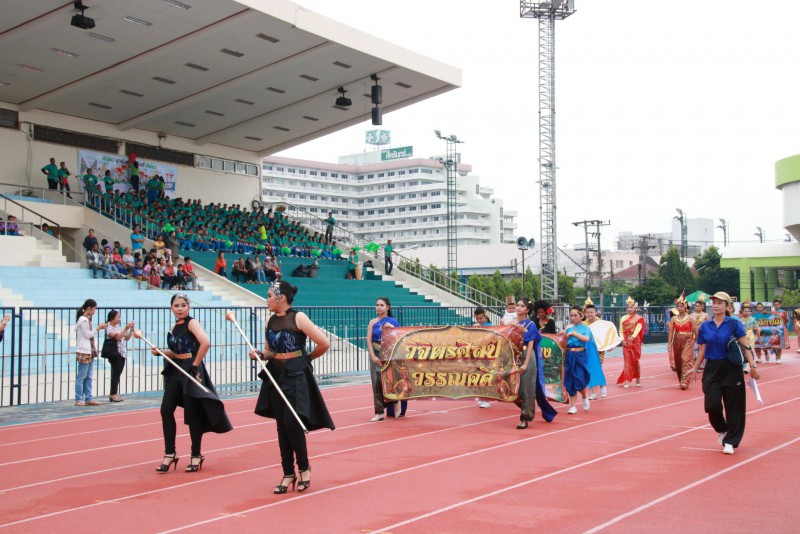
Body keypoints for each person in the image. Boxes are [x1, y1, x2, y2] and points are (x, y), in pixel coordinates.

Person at [250, 281, 334, 494]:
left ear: (281, 297)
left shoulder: (299, 317)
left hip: (296, 375)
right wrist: (259, 355)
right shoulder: (270, 320)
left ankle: (304, 468)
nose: (267, 299)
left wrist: (307, 359)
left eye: (270, 295)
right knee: (281, 425)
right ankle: (288, 473)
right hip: (276, 375)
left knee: (292, 422)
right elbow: (269, 351)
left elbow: (324, 343)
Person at [152, 293, 233, 473]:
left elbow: (205, 343)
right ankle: (170, 453)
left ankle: (196, 454)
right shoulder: (175, 326)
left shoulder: (192, 323)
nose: (180, 308)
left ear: (188, 307)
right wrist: (161, 352)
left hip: (190, 368)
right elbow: (177, 352)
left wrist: (195, 365)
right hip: (176, 369)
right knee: (166, 410)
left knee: (192, 413)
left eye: (183, 305)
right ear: (171, 308)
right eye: (176, 305)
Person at [689, 292, 760, 455]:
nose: (716, 305)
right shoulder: (705, 326)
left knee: (734, 406)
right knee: (712, 405)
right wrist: (694, 367)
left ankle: (730, 441)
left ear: (727, 306)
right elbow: (702, 350)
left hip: (731, 368)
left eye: (720, 303)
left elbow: (746, 346)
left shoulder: (734, 324)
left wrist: (752, 366)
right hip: (712, 368)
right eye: (714, 302)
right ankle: (723, 428)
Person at [515, 298, 557, 429]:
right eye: (517, 305)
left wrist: (526, 364)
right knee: (513, 390)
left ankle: (525, 418)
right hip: (515, 356)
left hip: (527, 356)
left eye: (522, 306)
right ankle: (529, 407)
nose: (518, 307)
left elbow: (531, 345)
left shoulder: (530, 325)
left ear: (527, 310)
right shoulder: (511, 324)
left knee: (527, 388)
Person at [367, 297, 404, 421]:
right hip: (376, 352)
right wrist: (373, 356)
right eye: (377, 305)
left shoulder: (392, 321)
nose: (378, 307)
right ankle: (379, 412)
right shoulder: (372, 322)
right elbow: (369, 340)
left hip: (389, 353)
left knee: (390, 380)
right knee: (376, 382)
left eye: (381, 305)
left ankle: (396, 402)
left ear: (387, 307)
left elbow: (399, 337)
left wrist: (391, 328)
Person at [74, 299, 106, 406]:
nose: (95, 311)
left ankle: (88, 398)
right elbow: (87, 335)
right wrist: (98, 328)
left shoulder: (87, 319)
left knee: (89, 376)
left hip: (90, 350)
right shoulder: (83, 320)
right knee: (81, 376)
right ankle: (79, 398)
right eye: (94, 309)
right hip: (84, 351)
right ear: (89, 308)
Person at [562, 305, 594, 414]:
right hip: (569, 355)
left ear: (581, 316)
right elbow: (563, 340)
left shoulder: (585, 328)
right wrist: (563, 334)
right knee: (570, 380)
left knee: (579, 378)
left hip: (580, 355)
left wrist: (574, 334)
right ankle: (573, 406)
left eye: (575, 315)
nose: (573, 318)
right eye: (571, 315)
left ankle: (584, 395)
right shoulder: (568, 327)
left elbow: (586, 339)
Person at [103, 310, 134, 402]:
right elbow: (117, 337)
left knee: (118, 373)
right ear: (112, 318)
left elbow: (126, 338)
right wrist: (126, 328)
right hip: (114, 353)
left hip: (122, 353)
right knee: (116, 373)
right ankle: (113, 394)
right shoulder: (108, 327)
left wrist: (131, 330)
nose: (119, 319)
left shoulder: (118, 327)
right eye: (118, 317)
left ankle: (114, 393)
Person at [667, 295, 695, 389]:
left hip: (688, 340)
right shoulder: (674, 319)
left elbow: (695, 331)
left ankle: (685, 381)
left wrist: (699, 342)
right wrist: (669, 344)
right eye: (678, 306)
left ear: (685, 306)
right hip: (677, 340)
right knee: (678, 361)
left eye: (681, 306)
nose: (679, 308)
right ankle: (681, 379)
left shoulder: (690, 318)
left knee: (685, 359)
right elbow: (671, 332)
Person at [582, 299, 607, 399]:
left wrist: (609, 345)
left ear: (595, 313)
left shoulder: (600, 323)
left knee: (598, 368)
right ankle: (593, 393)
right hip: (588, 350)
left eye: (591, 312)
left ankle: (602, 386)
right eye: (587, 312)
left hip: (599, 349)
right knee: (590, 369)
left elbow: (606, 335)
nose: (589, 314)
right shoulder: (583, 324)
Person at [617, 297, 645, 388]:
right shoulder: (623, 318)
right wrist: (622, 340)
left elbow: (638, 328)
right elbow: (621, 331)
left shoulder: (638, 318)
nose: (629, 309)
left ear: (634, 308)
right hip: (626, 341)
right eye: (628, 307)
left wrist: (632, 337)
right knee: (627, 361)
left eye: (631, 307)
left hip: (635, 341)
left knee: (636, 360)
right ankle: (626, 380)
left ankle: (638, 379)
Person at [473, 306, 493, 409]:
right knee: (478, 377)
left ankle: (486, 399)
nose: (479, 321)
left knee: (485, 377)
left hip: (487, 355)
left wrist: (480, 328)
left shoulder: (490, 326)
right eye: (477, 319)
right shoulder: (476, 326)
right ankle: (481, 397)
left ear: (485, 317)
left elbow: (490, 338)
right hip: (478, 354)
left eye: (481, 318)